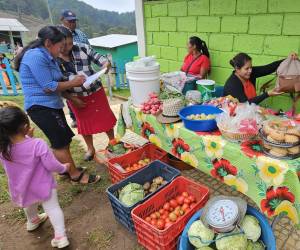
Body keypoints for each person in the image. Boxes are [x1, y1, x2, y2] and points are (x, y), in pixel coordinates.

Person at [14, 25, 100, 184]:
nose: (62, 50)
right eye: (60, 46)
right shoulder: (36, 57)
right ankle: (75, 175)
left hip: (51, 105)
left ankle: (65, 169)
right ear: (48, 43)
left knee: (63, 138)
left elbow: (57, 81)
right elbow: (48, 86)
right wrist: (73, 82)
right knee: (60, 141)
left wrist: (72, 88)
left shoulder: (48, 56)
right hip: (41, 107)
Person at [0, 106, 70, 248]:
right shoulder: (37, 144)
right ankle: (61, 237)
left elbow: (20, 149)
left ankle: (32, 221)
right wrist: (64, 168)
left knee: (29, 203)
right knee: (52, 209)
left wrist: (26, 138)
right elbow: (51, 165)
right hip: (43, 186)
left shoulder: (3, 148)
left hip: (21, 187)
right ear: (26, 126)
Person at [57, 26, 116, 161]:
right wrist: (71, 98)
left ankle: (113, 142)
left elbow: (101, 59)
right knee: (84, 123)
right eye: (64, 45)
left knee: (105, 118)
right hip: (75, 97)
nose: (68, 48)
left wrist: (106, 64)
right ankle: (91, 148)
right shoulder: (53, 58)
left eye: (70, 43)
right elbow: (56, 84)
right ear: (57, 43)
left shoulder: (82, 47)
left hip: (95, 91)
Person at [223, 52, 298, 104]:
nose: (250, 71)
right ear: (237, 69)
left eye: (251, 67)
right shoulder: (232, 84)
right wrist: (267, 94)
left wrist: (287, 60)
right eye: (246, 68)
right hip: (234, 116)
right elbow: (245, 104)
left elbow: (269, 68)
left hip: (249, 111)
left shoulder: (250, 73)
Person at [60, 10, 89, 128]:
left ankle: (86, 114)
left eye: (74, 21)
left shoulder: (81, 34)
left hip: (80, 66)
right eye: (69, 21)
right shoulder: (56, 34)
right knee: (71, 92)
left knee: (84, 89)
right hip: (65, 65)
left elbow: (88, 49)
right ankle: (75, 117)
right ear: (62, 20)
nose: (72, 23)